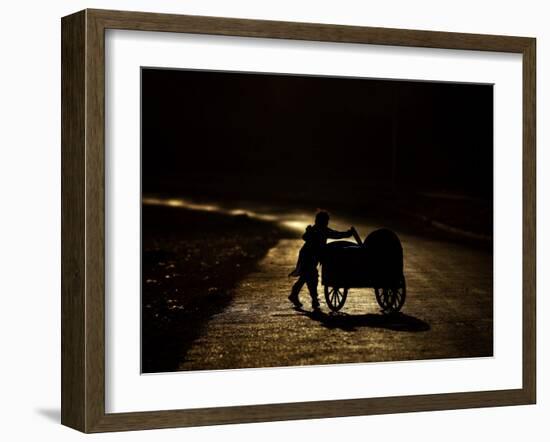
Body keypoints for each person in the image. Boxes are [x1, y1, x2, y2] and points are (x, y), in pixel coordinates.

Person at [288, 211, 353, 309]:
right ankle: (313, 299)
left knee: (305, 277)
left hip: (313, 257)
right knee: (312, 277)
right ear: (320, 221)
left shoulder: (322, 230)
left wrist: (347, 234)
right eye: (325, 221)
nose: (326, 222)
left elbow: (336, 234)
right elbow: (305, 237)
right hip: (307, 256)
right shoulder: (315, 229)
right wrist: (309, 232)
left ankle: (296, 295)